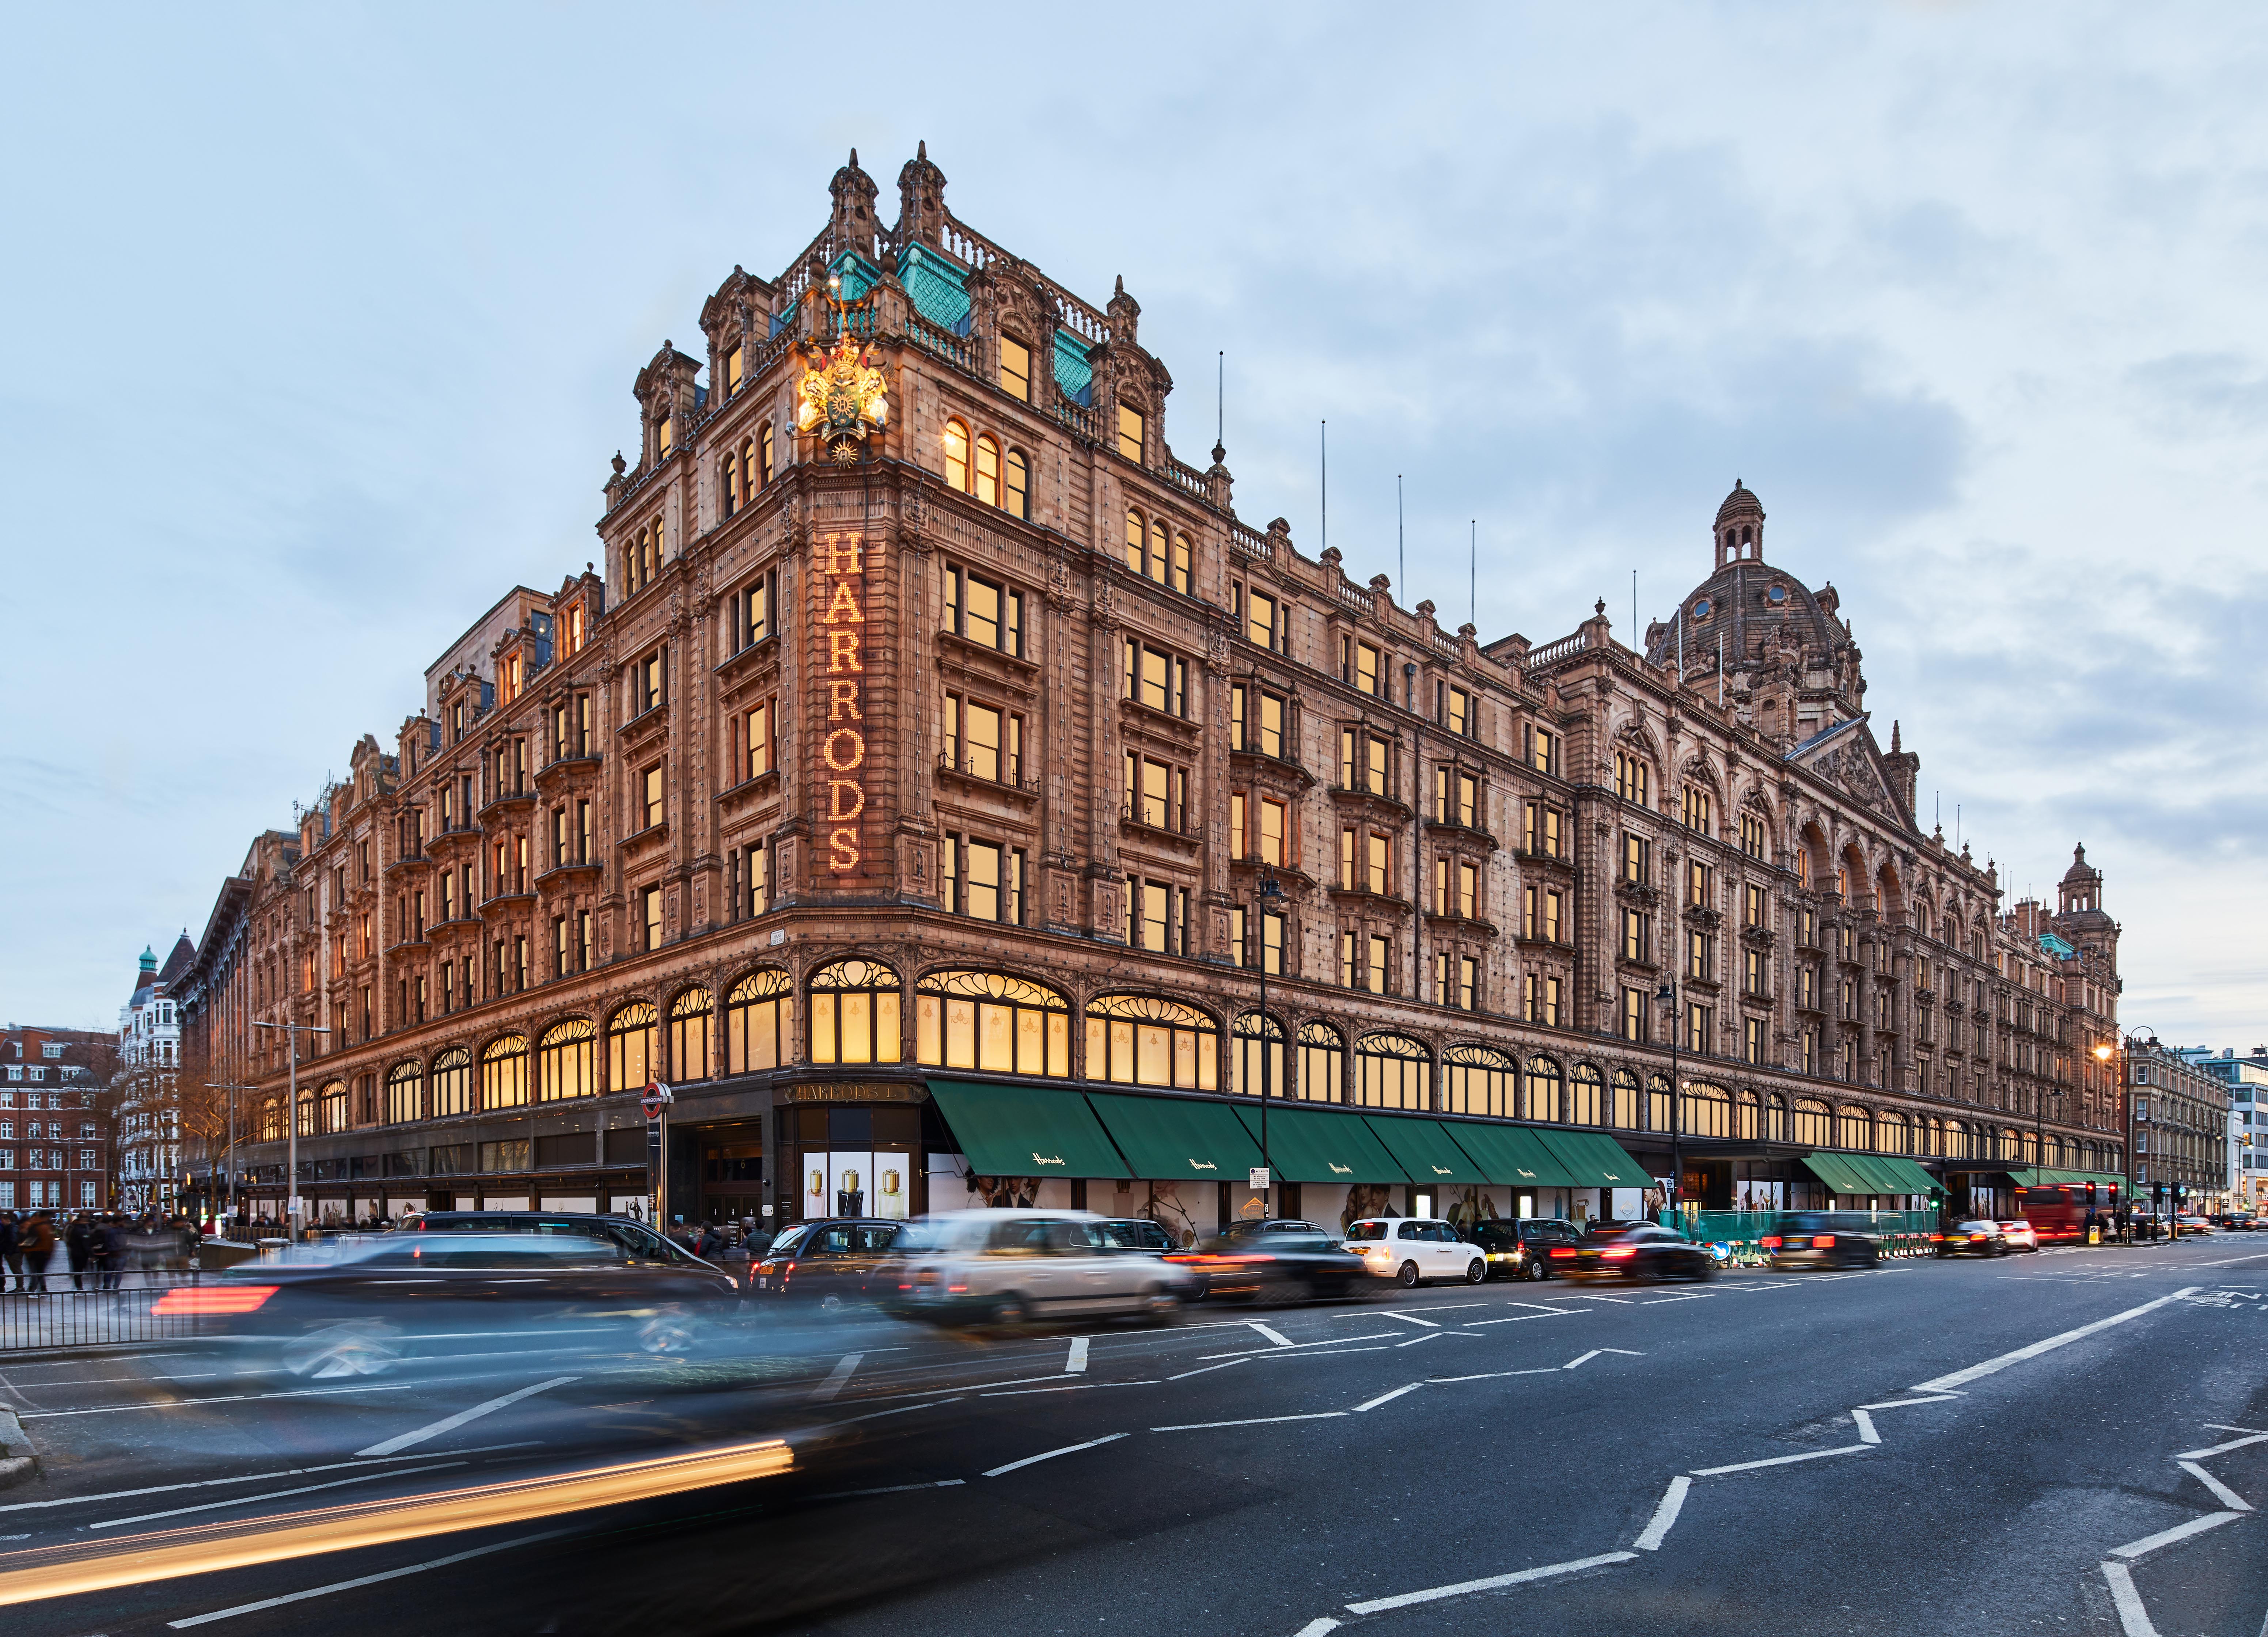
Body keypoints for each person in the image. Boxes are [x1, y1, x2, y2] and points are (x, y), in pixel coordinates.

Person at [18, 1211, 56, 1295]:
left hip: (37, 1251)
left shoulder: (38, 1226)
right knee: (38, 1271)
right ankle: (39, 1288)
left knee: (37, 1271)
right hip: (39, 1252)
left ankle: (36, 1288)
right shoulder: (42, 1226)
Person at [65, 1212, 92, 1291]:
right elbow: (85, 1242)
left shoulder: (75, 1229)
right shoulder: (81, 1230)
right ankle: (79, 1287)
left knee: (78, 1270)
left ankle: (79, 1286)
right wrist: (91, 1254)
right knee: (79, 1270)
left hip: (76, 1252)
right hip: (80, 1253)